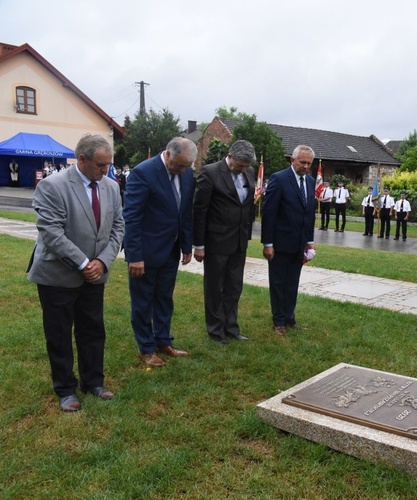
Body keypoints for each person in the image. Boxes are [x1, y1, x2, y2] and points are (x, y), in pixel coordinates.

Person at [27, 134, 124, 412]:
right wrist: (84, 264)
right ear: (81, 159)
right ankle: (66, 389)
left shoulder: (111, 187)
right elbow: (51, 232)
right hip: (58, 275)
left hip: (96, 275)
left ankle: (93, 382)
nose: (105, 171)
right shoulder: (52, 186)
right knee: (58, 333)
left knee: (93, 329)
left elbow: (118, 227)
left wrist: (103, 262)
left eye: (108, 165)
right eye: (100, 165)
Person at [123, 137, 196, 367]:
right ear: (168, 154)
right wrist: (135, 256)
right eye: (180, 165)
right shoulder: (143, 172)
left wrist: (186, 245)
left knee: (165, 298)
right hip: (145, 252)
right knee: (143, 301)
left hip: (171, 251)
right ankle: (146, 348)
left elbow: (184, 212)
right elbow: (132, 217)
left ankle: (163, 341)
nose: (183, 170)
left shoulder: (187, 174)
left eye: (187, 166)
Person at [193, 140, 256, 345]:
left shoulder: (250, 172)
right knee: (214, 288)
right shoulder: (210, 173)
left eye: (246, 166)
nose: (243, 169)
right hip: (216, 241)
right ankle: (215, 330)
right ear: (230, 155)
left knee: (234, 287)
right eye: (240, 165)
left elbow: (247, 205)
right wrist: (199, 245)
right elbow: (199, 210)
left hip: (239, 241)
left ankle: (231, 327)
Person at [261, 145, 316, 336]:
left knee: (293, 282)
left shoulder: (310, 182)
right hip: (279, 243)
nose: (306, 166)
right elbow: (268, 213)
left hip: (299, 243)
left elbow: (309, 213)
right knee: (278, 283)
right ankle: (278, 321)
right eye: (302, 162)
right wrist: (268, 243)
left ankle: (289, 316)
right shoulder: (279, 179)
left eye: (309, 163)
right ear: (292, 160)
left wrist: (309, 240)